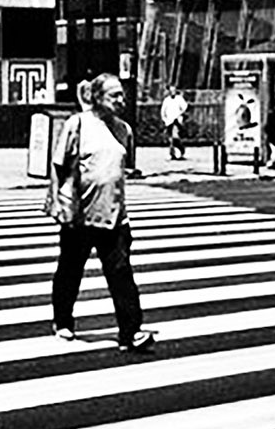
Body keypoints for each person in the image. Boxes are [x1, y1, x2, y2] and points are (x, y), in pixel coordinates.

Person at [47, 72, 153, 353]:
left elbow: (122, 167)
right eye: (114, 95)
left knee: (121, 273)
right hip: (81, 215)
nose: (121, 100)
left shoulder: (123, 129)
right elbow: (58, 166)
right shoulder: (77, 125)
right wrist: (59, 201)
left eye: (122, 95)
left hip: (116, 215)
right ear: (96, 97)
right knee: (70, 269)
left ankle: (131, 332)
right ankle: (63, 320)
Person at [160, 84, 188, 161]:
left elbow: (185, 107)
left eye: (174, 91)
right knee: (170, 139)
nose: (172, 92)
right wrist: (165, 120)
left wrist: (180, 114)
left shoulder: (179, 99)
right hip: (169, 121)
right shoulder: (166, 100)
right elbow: (163, 112)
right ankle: (172, 154)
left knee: (175, 137)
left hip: (177, 121)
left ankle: (181, 150)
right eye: (171, 91)